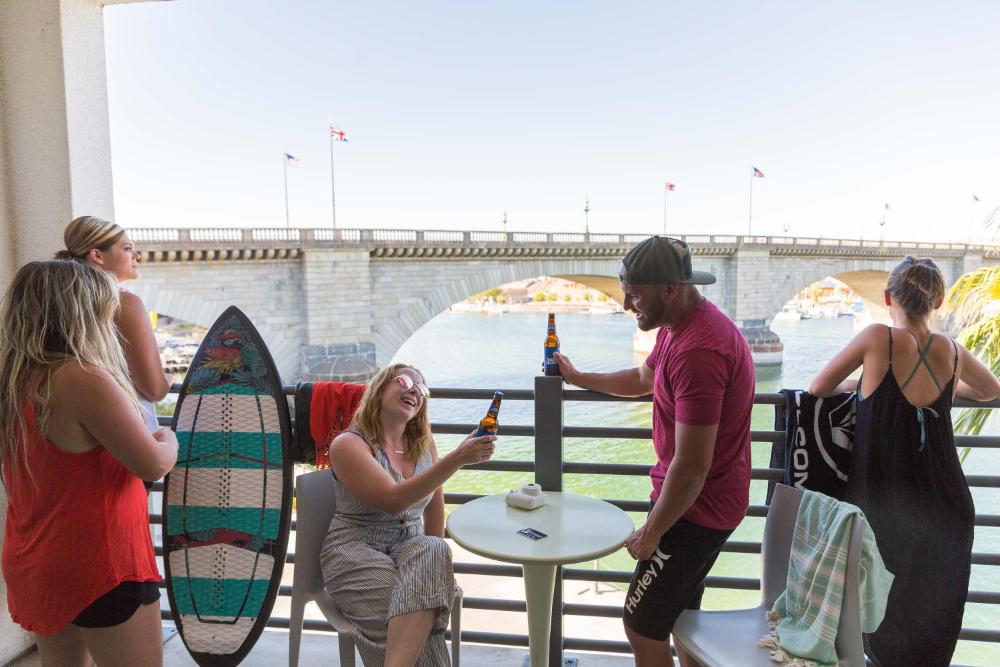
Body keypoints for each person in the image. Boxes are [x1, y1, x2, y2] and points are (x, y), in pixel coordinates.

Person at [554, 236, 755, 667]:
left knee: (642, 625)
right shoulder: (678, 327)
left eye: (635, 295)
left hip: (696, 511)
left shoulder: (700, 350)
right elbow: (643, 379)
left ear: (670, 289)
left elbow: (692, 466)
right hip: (695, 502)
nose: (627, 304)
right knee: (683, 621)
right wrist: (579, 377)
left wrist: (652, 532)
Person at [809, 256, 1000, 666]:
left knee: (882, 613)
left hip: (886, 504)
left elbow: (819, 386)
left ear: (887, 298)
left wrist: (861, 385)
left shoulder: (878, 338)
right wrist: (950, 389)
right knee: (932, 616)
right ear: (938, 302)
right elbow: (991, 390)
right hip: (946, 503)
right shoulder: (952, 350)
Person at [0, 260, 179, 666]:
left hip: (37, 559)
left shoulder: (14, 379)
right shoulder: (82, 378)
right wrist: (169, 438)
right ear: (84, 312)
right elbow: (152, 464)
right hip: (102, 563)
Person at [319, 363, 497, 667]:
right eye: (404, 381)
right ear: (379, 389)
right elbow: (393, 500)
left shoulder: (424, 444)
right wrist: (458, 458)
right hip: (355, 550)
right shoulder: (348, 444)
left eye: (422, 388)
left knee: (435, 549)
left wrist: (439, 571)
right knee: (412, 613)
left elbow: (435, 507)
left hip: (411, 549)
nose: (414, 389)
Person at [56, 216, 171, 434]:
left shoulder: (62, 301)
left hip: (72, 432)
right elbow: (155, 390)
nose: (137, 255)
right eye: (127, 248)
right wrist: (167, 379)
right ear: (97, 255)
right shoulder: (124, 303)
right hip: (126, 436)